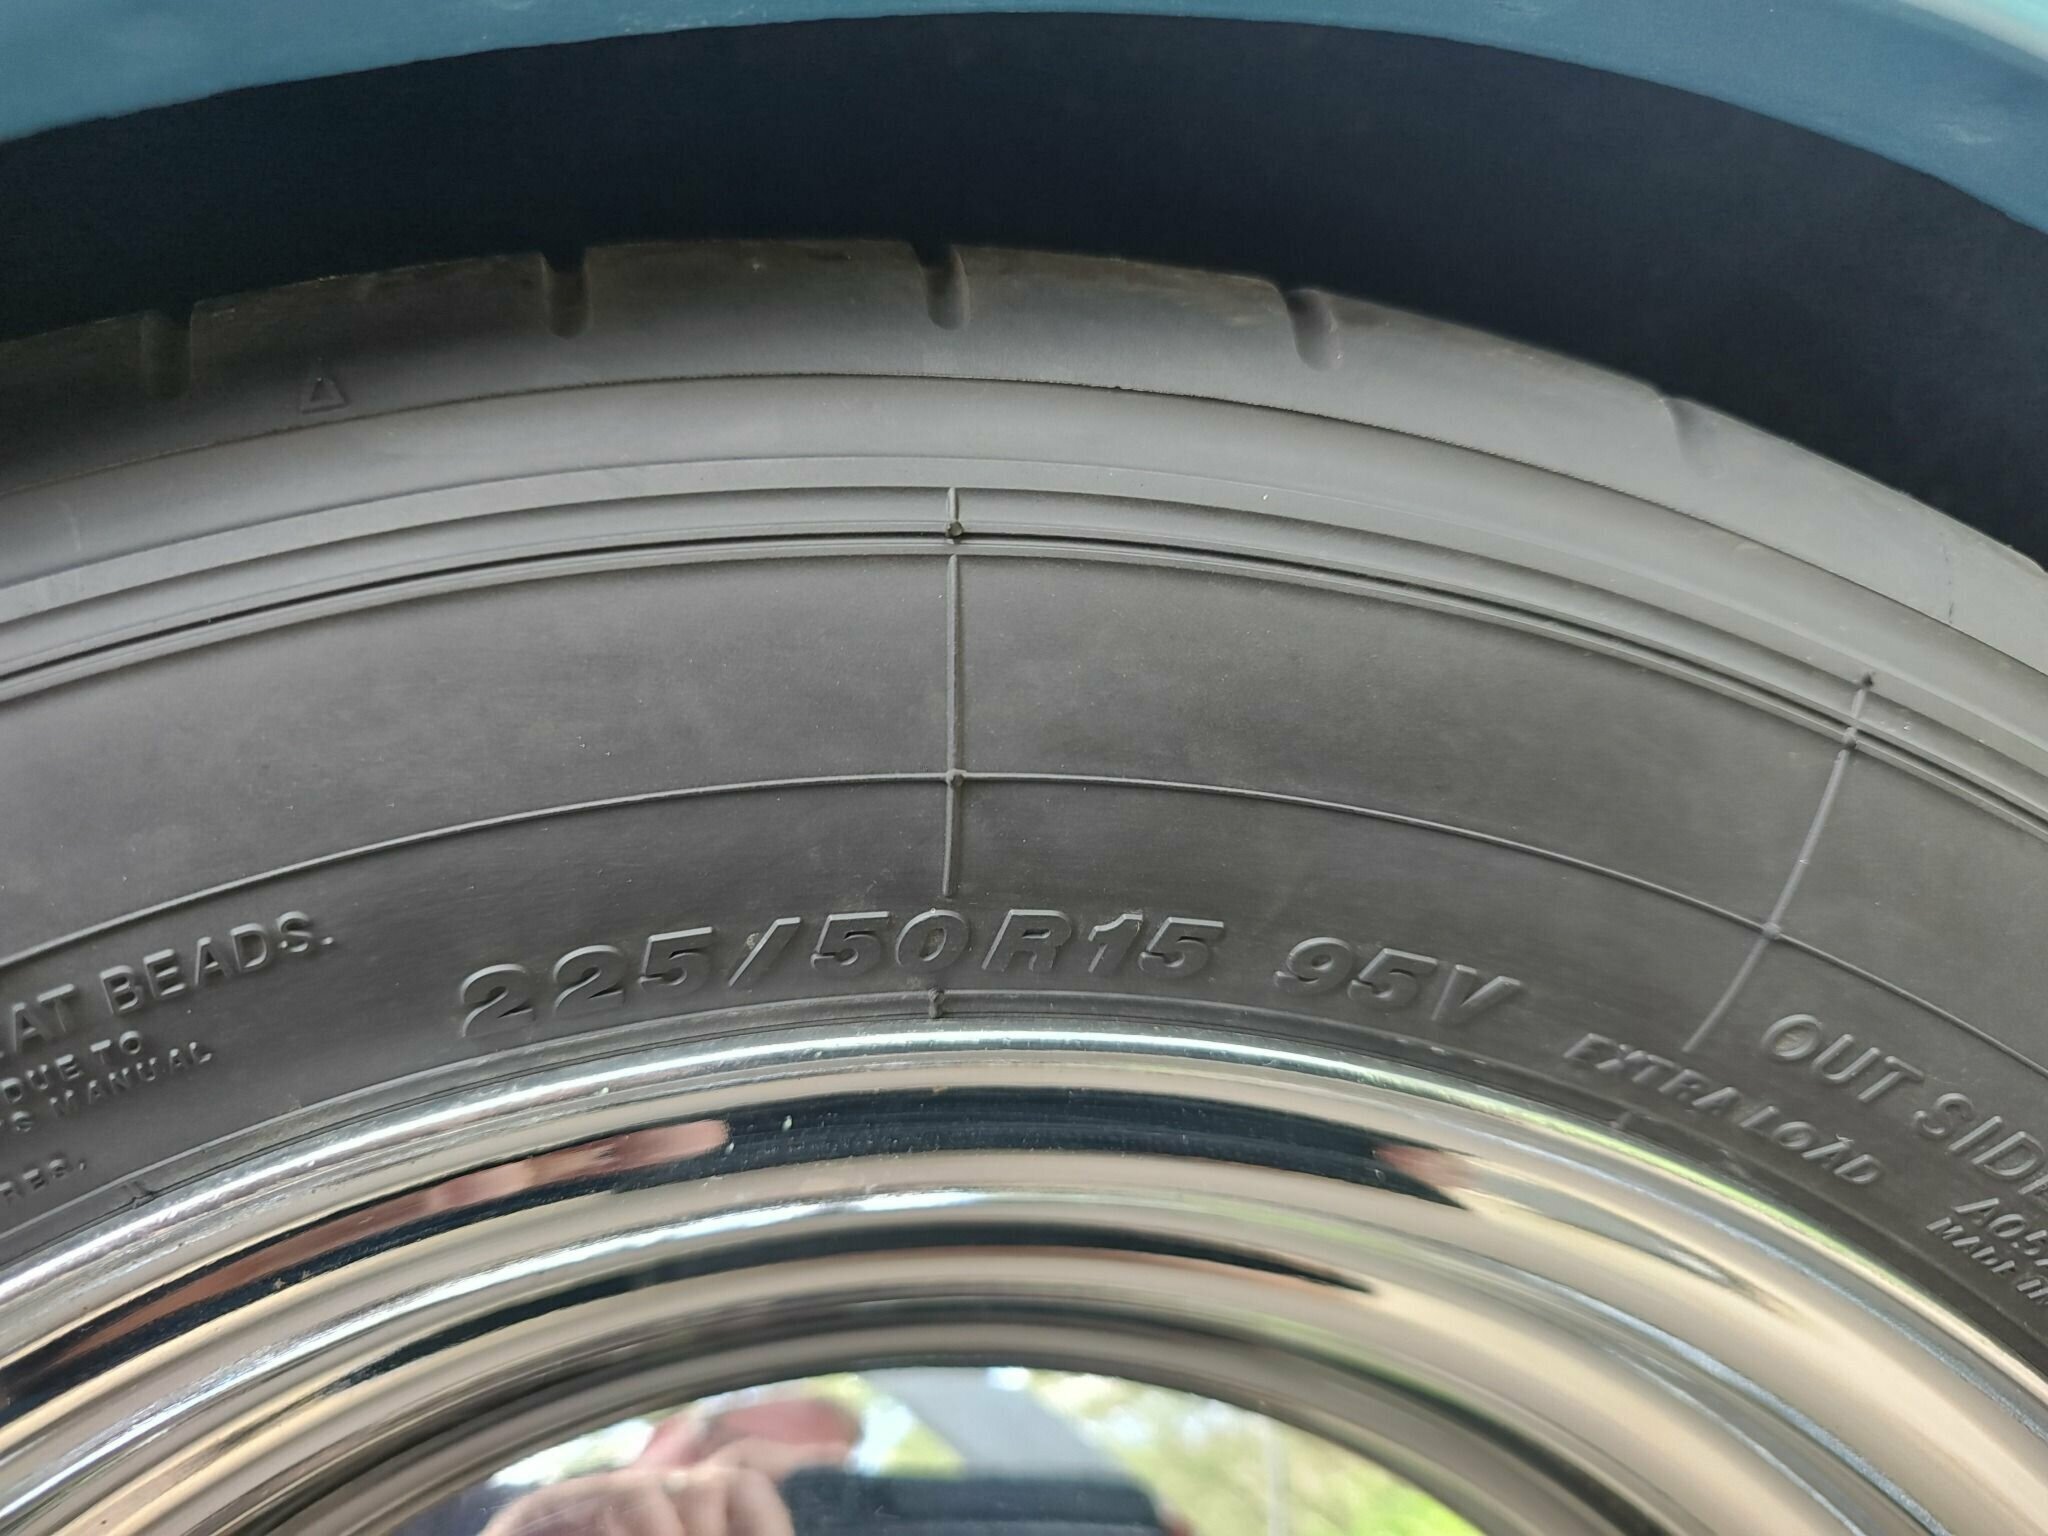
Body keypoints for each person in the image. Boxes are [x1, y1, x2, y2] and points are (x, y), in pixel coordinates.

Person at [479, 1396, 863, 1536]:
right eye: (720, 1442)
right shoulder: (455, 1490)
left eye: (780, 1493)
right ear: (666, 1431)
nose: (718, 1488)